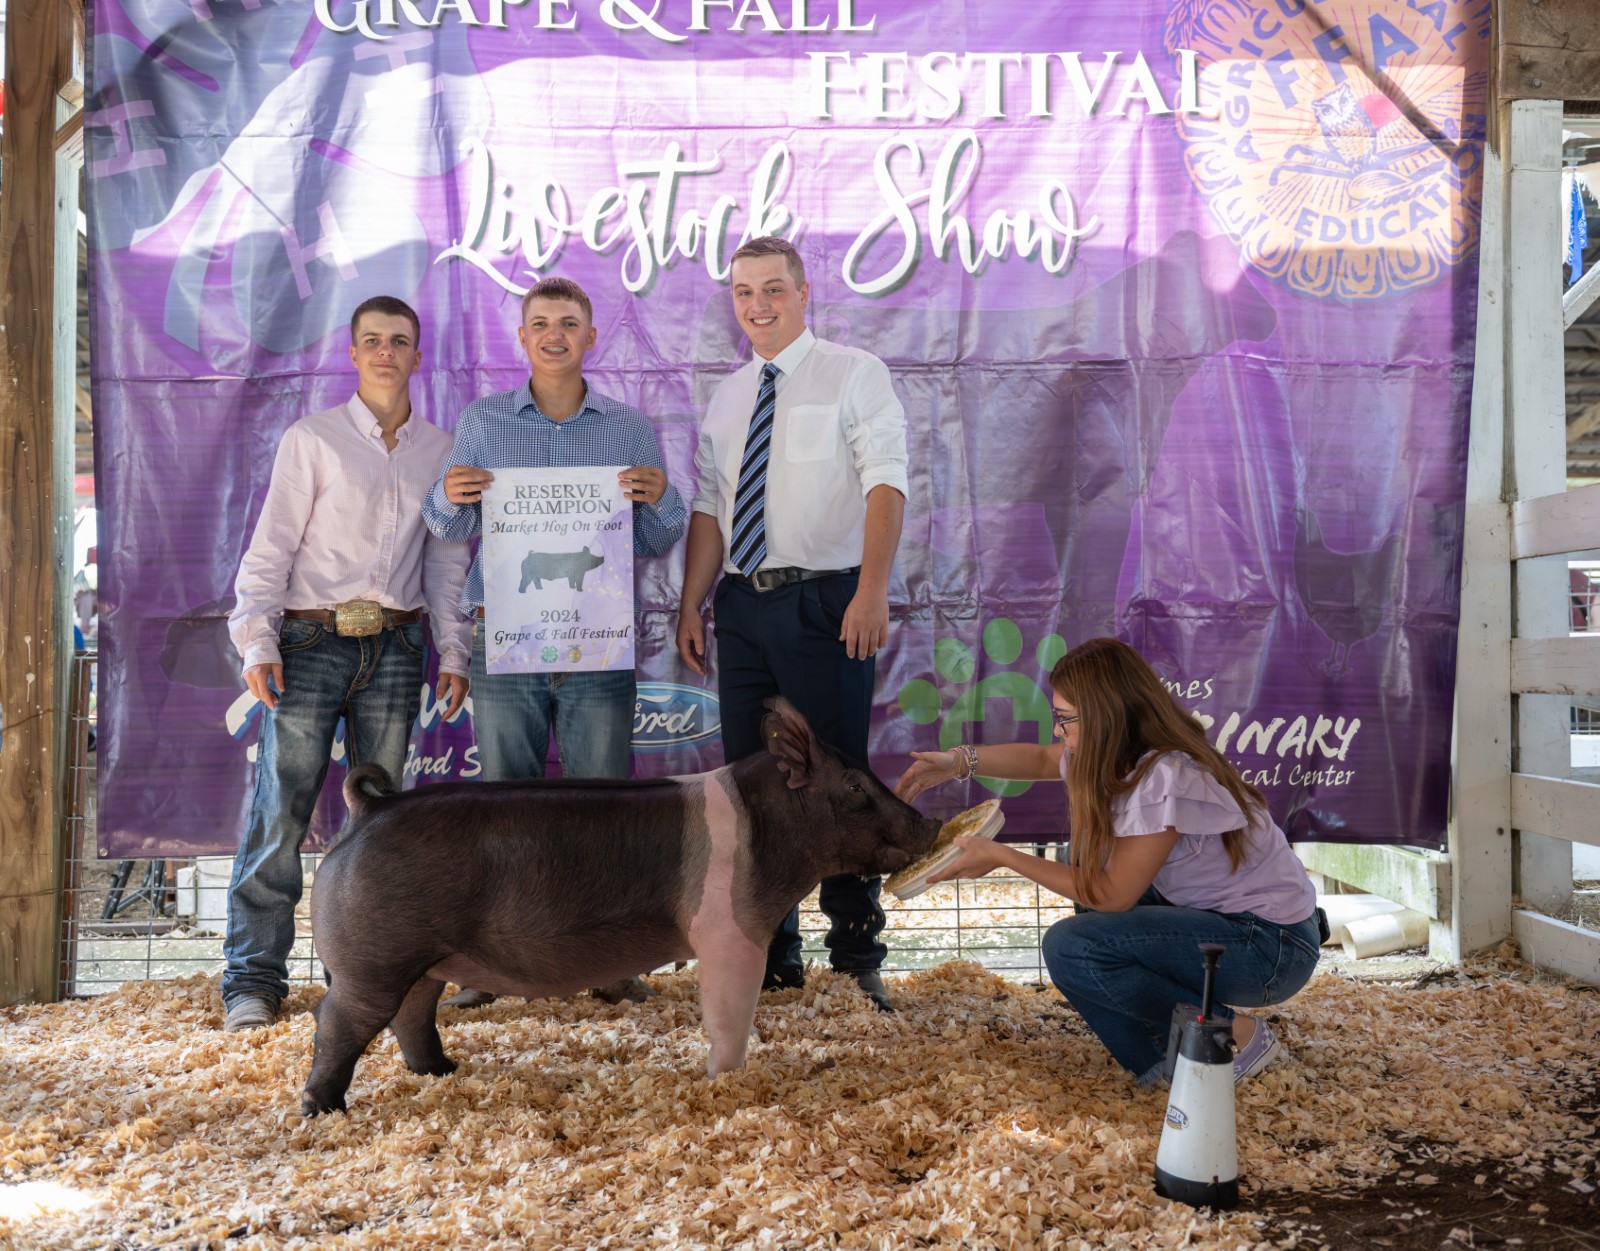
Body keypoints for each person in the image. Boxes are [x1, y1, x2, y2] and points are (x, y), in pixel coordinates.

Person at [424, 276, 686, 1007]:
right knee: (504, 802)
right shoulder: (482, 422)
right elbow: (448, 528)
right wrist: (449, 494)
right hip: (505, 637)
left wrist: (661, 493)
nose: (554, 335)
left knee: (601, 804)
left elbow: (661, 536)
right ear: (522, 338)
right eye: (540, 323)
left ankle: (605, 961)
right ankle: (496, 965)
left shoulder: (628, 428)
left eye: (569, 322)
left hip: (596, 641)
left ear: (590, 336)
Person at [895, 637, 1324, 1084]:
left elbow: (1113, 896)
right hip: (1240, 926)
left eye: (1064, 718)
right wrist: (958, 761)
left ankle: (1235, 1035)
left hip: (1271, 948)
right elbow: (1041, 757)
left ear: (1104, 714)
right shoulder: (1119, 752)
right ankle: (1166, 1062)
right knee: (1086, 889)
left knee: (1073, 945)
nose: (1057, 731)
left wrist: (1004, 857)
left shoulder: (1163, 774)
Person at [223, 295, 473, 1032]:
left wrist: (453, 649)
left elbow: (446, 565)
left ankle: (362, 979)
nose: (387, 352)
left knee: (382, 827)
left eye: (399, 341)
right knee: (281, 810)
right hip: (309, 641)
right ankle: (253, 979)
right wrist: (257, 639)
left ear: (417, 355)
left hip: (398, 644)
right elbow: (272, 546)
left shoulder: (442, 449)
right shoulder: (314, 440)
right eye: (373, 340)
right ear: (354, 353)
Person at [676, 235, 909, 1012]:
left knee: (836, 777)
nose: (758, 305)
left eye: (773, 288)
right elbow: (711, 507)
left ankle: (856, 953)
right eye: (743, 292)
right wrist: (691, 601)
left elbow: (885, 483)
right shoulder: (728, 395)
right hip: (741, 605)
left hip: (826, 601)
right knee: (750, 783)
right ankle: (773, 953)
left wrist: (870, 590)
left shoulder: (854, 373)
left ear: (805, 292)